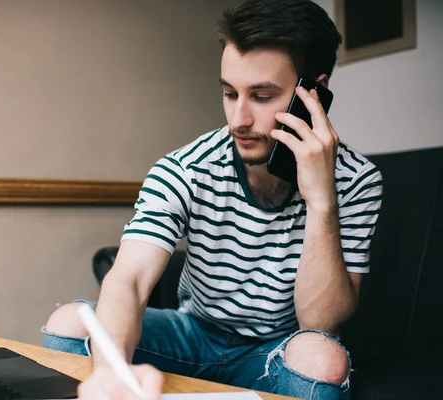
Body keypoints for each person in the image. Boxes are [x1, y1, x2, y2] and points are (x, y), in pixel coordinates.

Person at [42, 0, 383, 399]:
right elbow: (130, 279)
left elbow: (319, 324)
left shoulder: (357, 180)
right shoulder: (185, 169)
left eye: (261, 95)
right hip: (193, 337)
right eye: (229, 92)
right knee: (71, 321)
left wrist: (321, 200)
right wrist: (111, 372)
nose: (238, 119)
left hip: (276, 353)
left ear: (315, 93)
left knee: (322, 357)